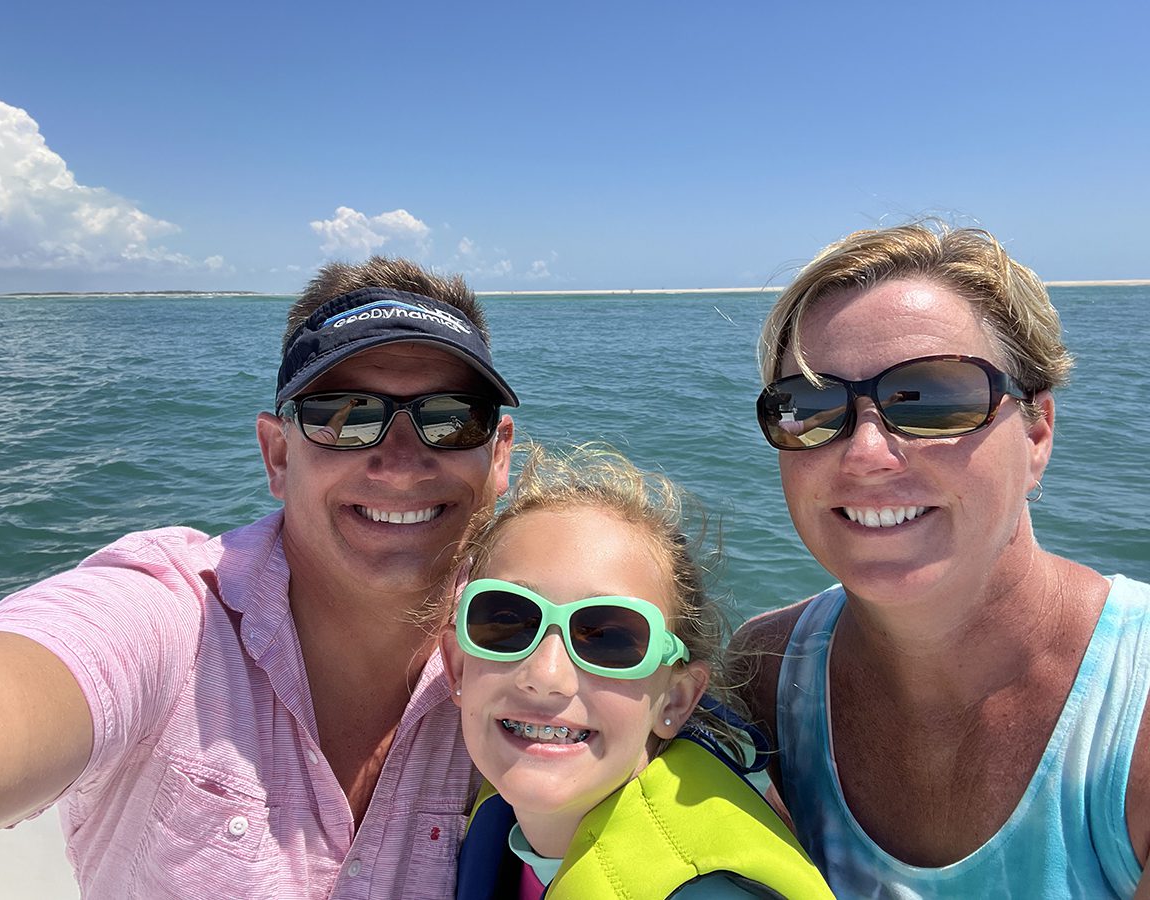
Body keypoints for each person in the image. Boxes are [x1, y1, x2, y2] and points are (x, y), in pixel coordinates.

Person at [0, 256, 518, 898]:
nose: (402, 462)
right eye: (348, 416)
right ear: (279, 455)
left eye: (450, 417)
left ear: (497, 455)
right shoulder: (169, 619)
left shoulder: (545, 652)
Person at [731, 223, 1150, 898]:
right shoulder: (767, 676)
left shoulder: (1135, 715)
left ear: (1037, 430)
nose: (866, 451)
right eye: (809, 406)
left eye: (932, 399)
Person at [439, 444, 835, 898]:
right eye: (507, 620)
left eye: (609, 638)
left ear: (676, 699)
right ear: (456, 668)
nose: (546, 674)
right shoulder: (508, 830)